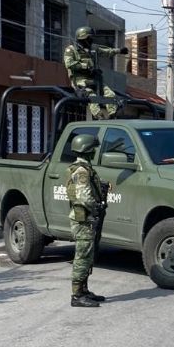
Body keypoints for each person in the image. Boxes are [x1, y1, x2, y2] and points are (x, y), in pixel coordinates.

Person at [66, 134, 108, 307]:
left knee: (88, 255)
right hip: (84, 220)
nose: (94, 152)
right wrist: (96, 207)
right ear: (87, 150)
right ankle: (76, 296)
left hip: (86, 219)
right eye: (93, 149)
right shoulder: (82, 170)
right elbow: (84, 197)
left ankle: (83, 290)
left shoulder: (83, 168)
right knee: (82, 256)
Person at [64, 26, 129, 120]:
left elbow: (106, 51)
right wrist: (87, 66)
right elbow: (69, 64)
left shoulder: (92, 48)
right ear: (83, 38)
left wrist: (119, 50)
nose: (91, 40)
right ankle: (99, 117)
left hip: (94, 79)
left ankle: (113, 116)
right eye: (89, 38)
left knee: (110, 95)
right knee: (92, 97)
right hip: (80, 80)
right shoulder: (71, 50)